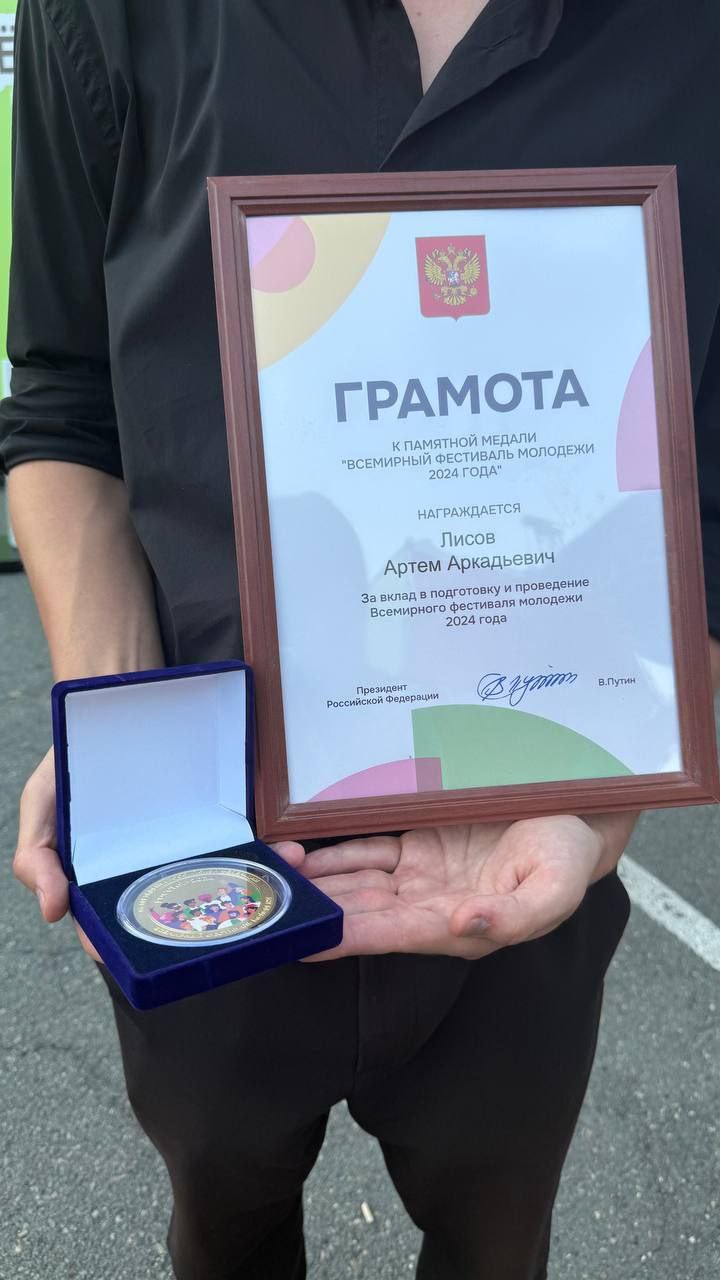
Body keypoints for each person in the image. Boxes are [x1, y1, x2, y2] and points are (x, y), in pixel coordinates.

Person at [2, 2, 719, 1278]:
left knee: (496, 1241)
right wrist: (124, 724)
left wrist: (613, 784)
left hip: (534, 834)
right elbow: (65, 400)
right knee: (225, 1230)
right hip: (210, 840)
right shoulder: (111, 14)